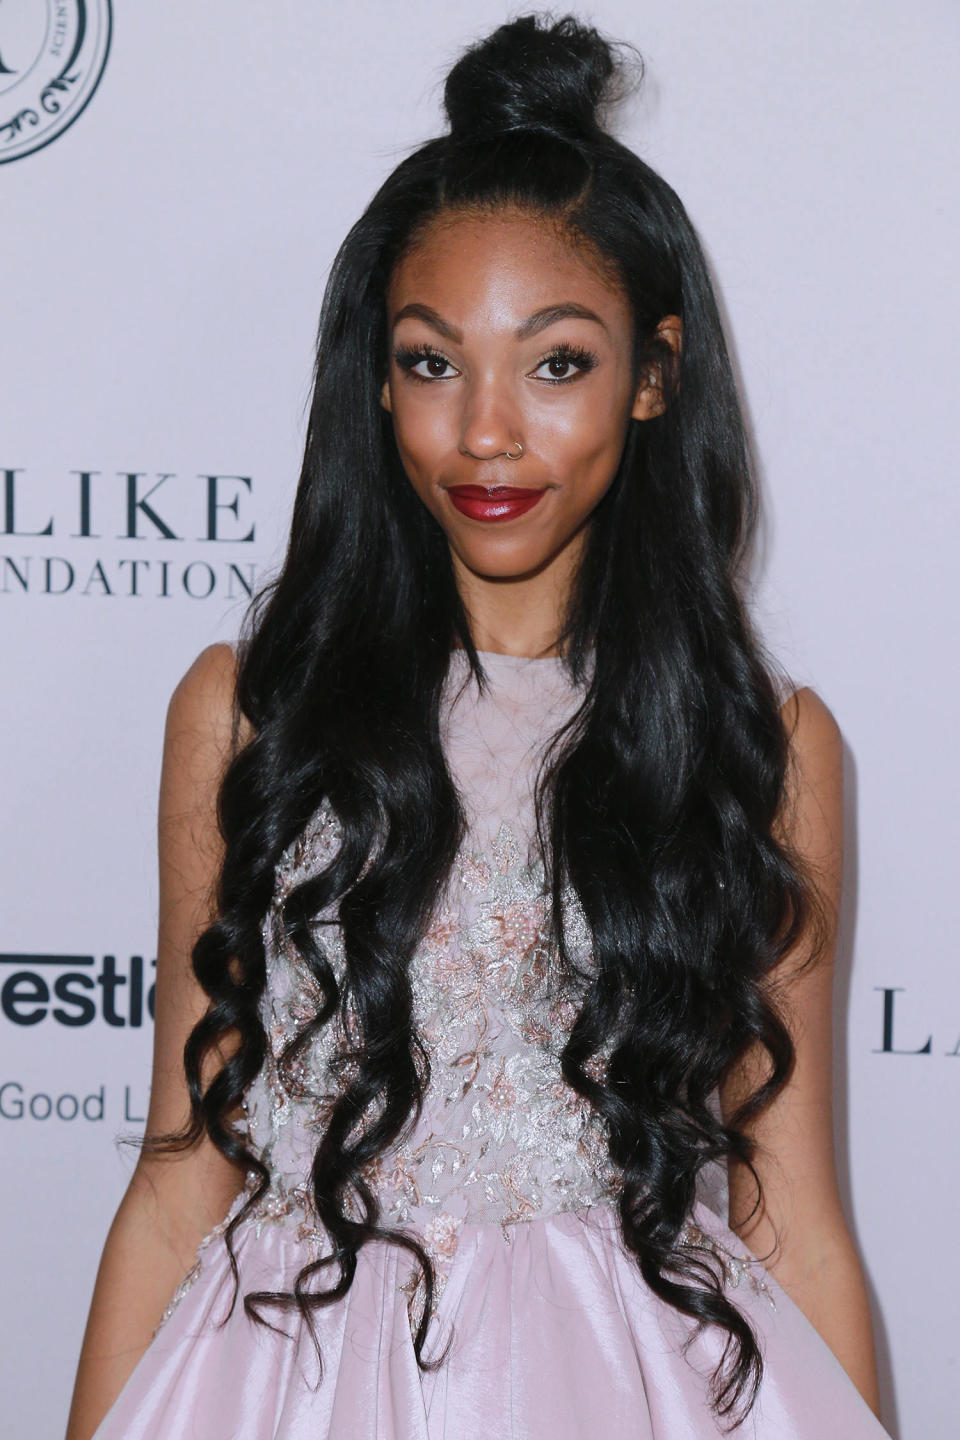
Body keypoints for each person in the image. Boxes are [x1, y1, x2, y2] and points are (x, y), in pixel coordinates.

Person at [67, 14, 891, 1439]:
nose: (487, 432)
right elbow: (172, 1178)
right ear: (375, 383)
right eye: (433, 363)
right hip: (285, 1386)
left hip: (630, 1383)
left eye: (556, 364)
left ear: (653, 374)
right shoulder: (248, 710)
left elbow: (795, 1218)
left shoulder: (768, 747)